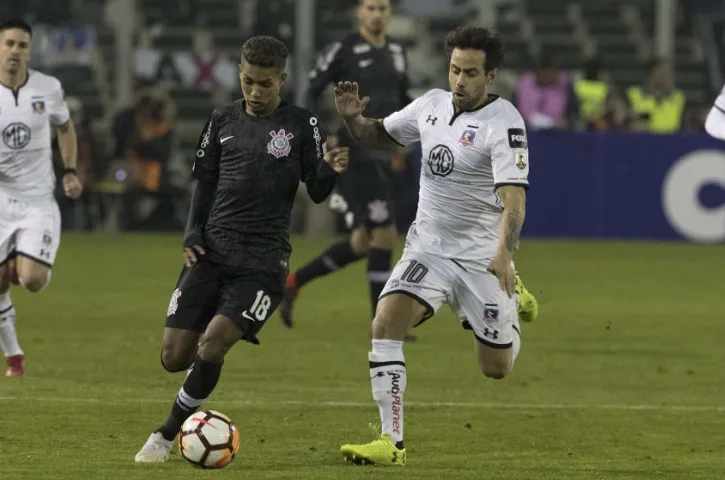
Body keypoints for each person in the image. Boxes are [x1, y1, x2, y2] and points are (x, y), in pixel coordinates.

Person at [134, 35, 349, 463]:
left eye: (265, 84)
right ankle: (190, 404)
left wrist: (330, 168)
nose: (254, 92)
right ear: (239, 74)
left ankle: (165, 434)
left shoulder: (301, 125)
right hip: (212, 251)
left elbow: (319, 191)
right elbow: (206, 181)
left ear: (282, 80)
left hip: (262, 262)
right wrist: (193, 233)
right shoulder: (221, 119)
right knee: (174, 357)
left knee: (213, 345)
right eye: (248, 81)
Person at [333, 25, 538, 466]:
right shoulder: (430, 105)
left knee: (495, 369)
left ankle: (513, 293)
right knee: (385, 323)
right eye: (454, 70)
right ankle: (392, 443)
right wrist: (353, 119)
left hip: (483, 258)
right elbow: (378, 136)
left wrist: (504, 254)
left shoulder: (505, 124)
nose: (459, 81)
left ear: (491, 76)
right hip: (427, 249)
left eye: (469, 73)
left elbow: (514, 201)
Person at [280, 0, 413, 337]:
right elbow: (311, 87)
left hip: (384, 151)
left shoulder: (398, 52)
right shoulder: (344, 48)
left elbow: (403, 98)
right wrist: (321, 135)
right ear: (359, 12)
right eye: (371, 7)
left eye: (383, 7)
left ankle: (294, 282)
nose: (378, 13)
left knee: (362, 243)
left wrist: (404, 141)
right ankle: (381, 325)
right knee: (383, 235)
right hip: (355, 154)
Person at [0, 19, 83, 377]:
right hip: (1, 200)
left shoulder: (48, 88)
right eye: (9, 44)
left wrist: (69, 169)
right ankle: (14, 355)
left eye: (21, 45)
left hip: (37, 200)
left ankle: (20, 259)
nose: (15, 51)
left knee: (33, 280)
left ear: (30, 51)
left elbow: (65, 127)